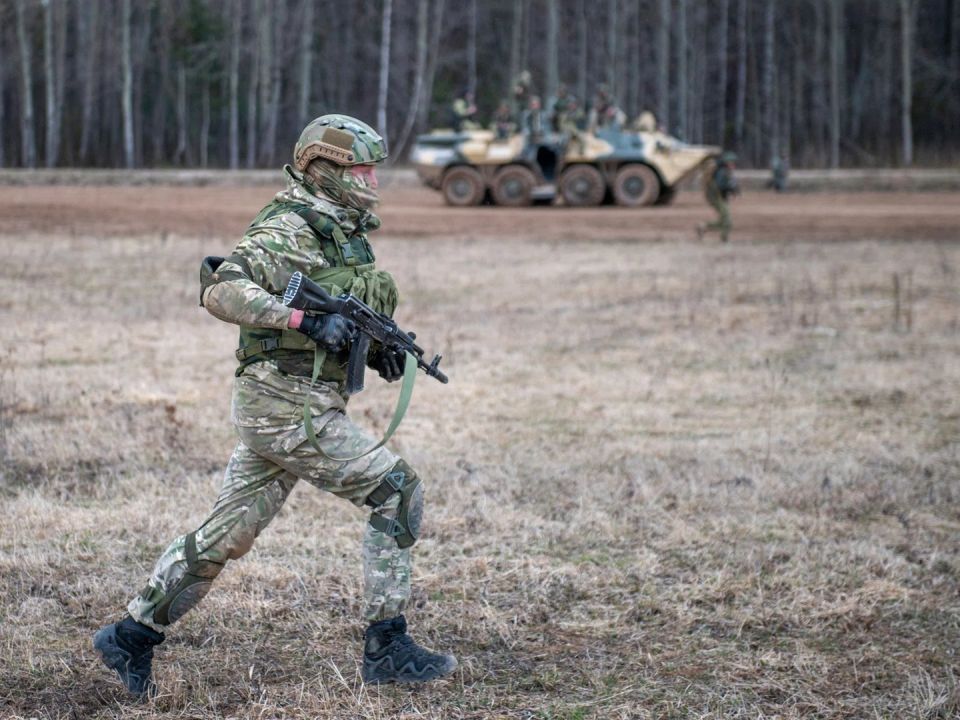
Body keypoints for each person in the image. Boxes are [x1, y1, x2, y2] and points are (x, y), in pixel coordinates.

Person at [92, 114, 457, 697]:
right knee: (397, 492)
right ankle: (386, 646)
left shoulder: (342, 229)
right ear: (326, 170)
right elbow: (220, 288)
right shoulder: (287, 227)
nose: (372, 179)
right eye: (361, 168)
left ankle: (129, 638)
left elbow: (344, 312)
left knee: (226, 535)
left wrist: (376, 352)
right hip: (285, 407)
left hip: (294, 403)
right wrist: (303, 318)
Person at [697, 151, 740, 243]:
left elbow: (728, 185)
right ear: (728, 162)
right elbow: (721, 186)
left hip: (719, 198)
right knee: (727, 220)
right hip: (716, 198)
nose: (734, 164)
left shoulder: (726, 172)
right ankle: (724, 239)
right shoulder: (722, 172)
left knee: (723, 220)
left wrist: (733, 189)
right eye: (732, 162)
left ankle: (703, 227)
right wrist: (731, 188)